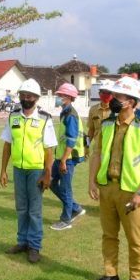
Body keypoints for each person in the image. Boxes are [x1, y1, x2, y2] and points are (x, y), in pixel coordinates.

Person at [87, 76, 140, 280]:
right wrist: (91, 180)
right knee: (109, 235)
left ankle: (136, 278)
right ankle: (111, 274)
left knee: (134, 238)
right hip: (108, 188)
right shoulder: (107, 124)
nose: (113, 100)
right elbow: (97, 153)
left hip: (131, 191)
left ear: (131, 101)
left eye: (118, 97)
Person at [0, 79, 57, 264]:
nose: (26, 99)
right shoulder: (13, 116)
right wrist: (3, 171)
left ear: (37, 98)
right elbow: (7, 145)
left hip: (35, 171)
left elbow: (49, 149)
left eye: (30, 96)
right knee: (21, 208)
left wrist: (47, 173)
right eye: (23, 95)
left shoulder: (44, 119)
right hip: (18, 169)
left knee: (35, 210)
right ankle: (22, 241)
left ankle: (34, 246)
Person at [49, 83, 86, 230]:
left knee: (65, 188)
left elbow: (71, 139)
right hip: (62, 156)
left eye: (61, 95)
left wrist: (64, 160)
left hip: (68, 158)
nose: (58, 97)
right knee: (50, 182)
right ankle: (75, 208)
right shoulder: (65, 112)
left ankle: (66, 219)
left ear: (69, 97)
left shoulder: (70, 114)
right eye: (59, 95)